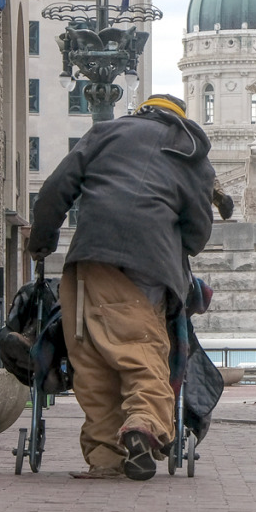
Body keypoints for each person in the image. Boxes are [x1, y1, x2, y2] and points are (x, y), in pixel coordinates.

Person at [27, 94, 215, 481]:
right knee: (140, 348)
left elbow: (56, 188)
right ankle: (142, 425)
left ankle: (106, 458)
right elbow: (198, 228)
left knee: (91, 363)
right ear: (178, 118)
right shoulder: (191, 152)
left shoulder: (106, 133)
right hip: (149, 266)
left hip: (89, 260)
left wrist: (41, 242)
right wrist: (180, 242)